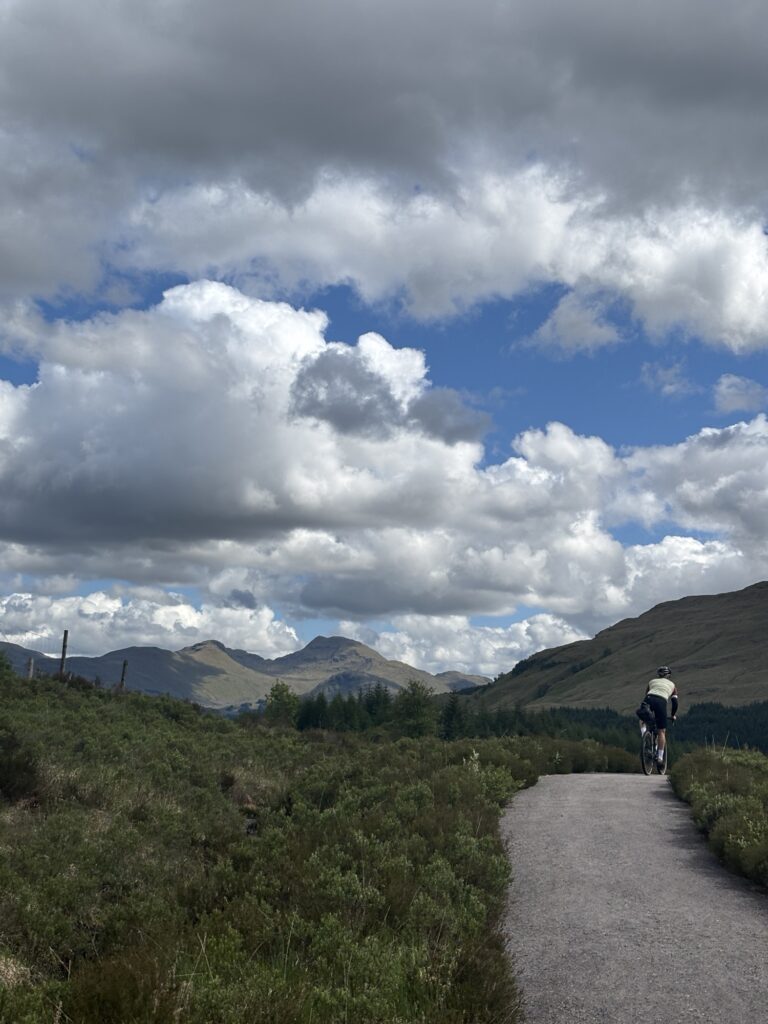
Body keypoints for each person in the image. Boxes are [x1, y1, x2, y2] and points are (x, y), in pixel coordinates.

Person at [644, 666, 678, 767]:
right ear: (669, 675)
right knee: (661, 731)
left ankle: (644, 738)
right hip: (661, 702)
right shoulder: (672, 685)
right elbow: (675, 703)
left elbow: (646, 695)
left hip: (648, 699)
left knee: (642, 719)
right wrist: (672, 715)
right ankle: (660, 757)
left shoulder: (651, 681)